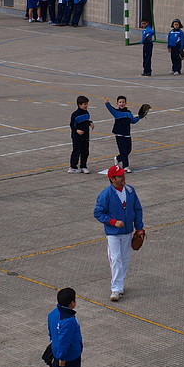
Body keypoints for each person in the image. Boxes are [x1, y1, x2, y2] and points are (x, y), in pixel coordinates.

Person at [94, 165, 145, 301]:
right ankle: (115, 289)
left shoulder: (130, 191)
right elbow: (98, 213)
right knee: (116, 259)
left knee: (125, 259)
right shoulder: (106, 195)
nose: (123, 177)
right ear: (112, 179)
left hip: (127, 232)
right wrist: (112, 221)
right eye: (120, 176)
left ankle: (120, 284)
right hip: (113, 233)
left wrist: (139, 228)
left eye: (123, 174)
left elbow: (137, 209)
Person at [48, 287, 83, 367]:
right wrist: (63, 357)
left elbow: (51, 333)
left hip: (56, 353)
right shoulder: (69, 321)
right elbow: (65, 341)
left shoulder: (53, 314)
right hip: (69, 357)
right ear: (72, 303)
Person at [104, 95, 142, 173]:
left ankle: (118, 158)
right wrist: (107, 103)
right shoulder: (116, 112)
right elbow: (110, 109)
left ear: (126, 103)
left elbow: (132, 121)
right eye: (120, 102)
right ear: (117, 103)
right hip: (119, 134)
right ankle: (125, 166)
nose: (121, 103)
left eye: (123, 102)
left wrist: (139, 117)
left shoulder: (129, 113)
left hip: (127, 134)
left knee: (128, 150)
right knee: (123, 151)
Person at [68, 95, 94, 174]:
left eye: (87, 104)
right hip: (77, 137)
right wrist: (77, 130)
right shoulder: (75, 114)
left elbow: (86, 121)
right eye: (84, 104)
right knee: (77, 151)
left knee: (85, 151)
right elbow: (72, 125)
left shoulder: (86, 113)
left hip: (85, 136)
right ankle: (73, 167)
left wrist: (90, 123)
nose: (86, 106)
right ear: (79, 105)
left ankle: (83, 166)